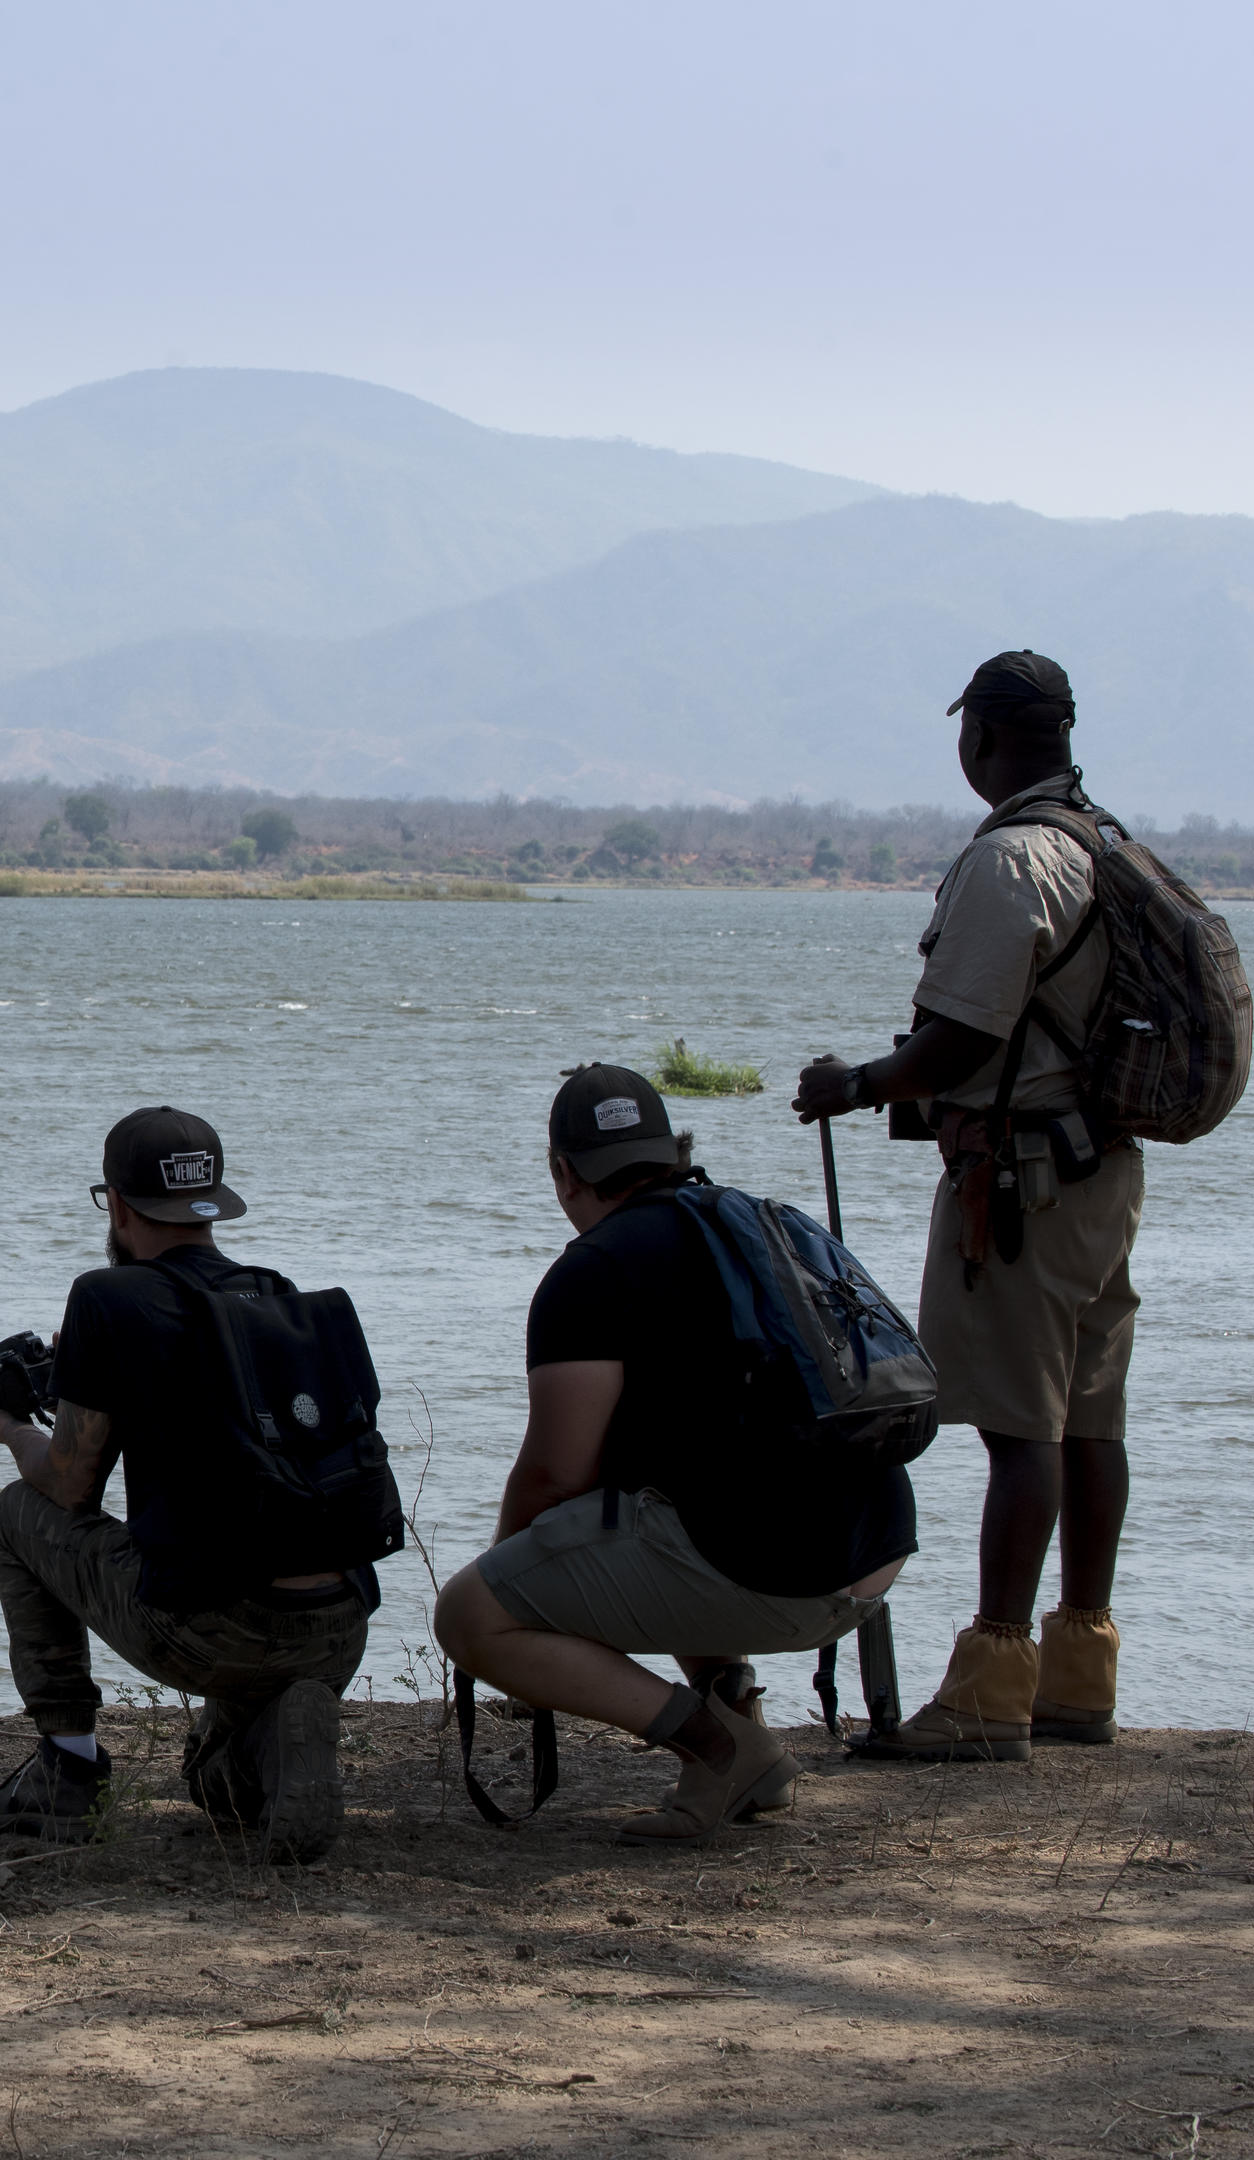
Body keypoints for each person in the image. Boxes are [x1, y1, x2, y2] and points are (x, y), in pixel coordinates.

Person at [794, 650, 1139, 1761]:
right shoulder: (1103, 842)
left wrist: (855, 1084)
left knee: (1017, 1427)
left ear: (980, 740)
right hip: (1100, 1172)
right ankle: (1077, 1673)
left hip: (1021, 1183)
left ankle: (992, 1686)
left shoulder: (1010, 861)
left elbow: (963, 1035)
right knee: (1089, 1422)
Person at [433, 1066, 916, 1842]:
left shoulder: (592, 1271)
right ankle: (745, 1729)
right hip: (878, 1554)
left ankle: (713, 1749)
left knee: (468, 1615)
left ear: (563, 1172)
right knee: (664, 1504)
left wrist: (507, 1574)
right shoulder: (762, 1223)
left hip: (777, 1576)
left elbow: (557, 1473)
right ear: (674, 1150)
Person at [0, 1106, 377, 1863]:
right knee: (214, 1786)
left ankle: (67, 1771)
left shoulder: (108, 1298)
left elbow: (71, 1486)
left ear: (115, 1201)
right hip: (337, 1624)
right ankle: (282, 1733)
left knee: (17, 1512)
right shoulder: (276, 1292)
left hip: (212, 1630)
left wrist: (8, 1430)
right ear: (211, 1200)